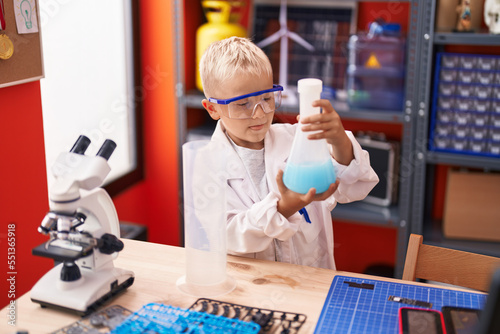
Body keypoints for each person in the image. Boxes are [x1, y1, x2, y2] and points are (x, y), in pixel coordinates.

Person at [198, 36, 378, 270]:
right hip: (250, 289)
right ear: (212, 108)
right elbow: (229, 236)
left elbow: (354, 186)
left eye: (266, 98)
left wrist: (339, 139)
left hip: (311, 282)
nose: (260, 114)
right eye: (243, 104)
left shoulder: (296, 139)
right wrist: (283, 208)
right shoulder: (206, 164)